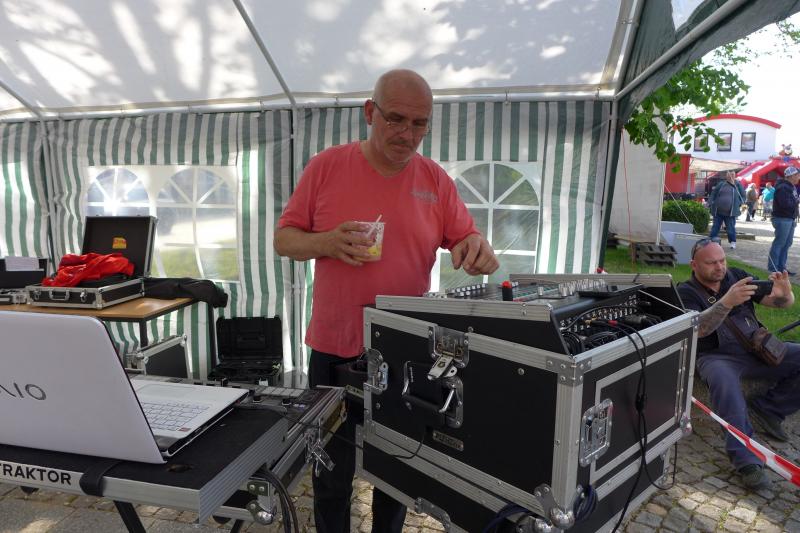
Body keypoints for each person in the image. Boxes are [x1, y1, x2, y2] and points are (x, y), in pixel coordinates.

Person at [273, 69, 499, 533]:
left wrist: (475, 246)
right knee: (332, 471)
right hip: (335, 350)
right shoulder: (326, 167)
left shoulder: (434, 179)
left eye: (420, 123)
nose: (407, 134)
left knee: (396, 476)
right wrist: (326, 242)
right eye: (395, 119)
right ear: (369, 113)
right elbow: (284, 239)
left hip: (404, 353)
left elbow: (466, 236)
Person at [678, 239, 800, 490]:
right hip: (715, 357)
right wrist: (726, 302)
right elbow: (697, 329)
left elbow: (779, 302)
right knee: (725, 384)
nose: (719, 267)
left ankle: (770, 409)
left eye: (722, 260)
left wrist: (786, 293)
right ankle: (747, 461)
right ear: (694, 265)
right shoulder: (686, 292)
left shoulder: (737, 275)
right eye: (711, 263)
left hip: (756, 349)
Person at [767, 166, 799, 274]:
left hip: (789, 218)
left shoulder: (791, 187)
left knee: (787, 244)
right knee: (780, 243)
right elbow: (785, 204)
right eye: (797, 175)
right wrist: (796, 201)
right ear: (791, 176)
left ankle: (781, 268)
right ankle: (773, 268)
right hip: (782, 218)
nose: (798, 177)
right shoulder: (783, 187)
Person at [708, 171, 745, 249]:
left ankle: (733, 242)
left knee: (730, 228)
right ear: (726, 176)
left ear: (735, 176)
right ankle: (711, 241)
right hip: (718, 211)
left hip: (730, 212)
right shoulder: (721, 184)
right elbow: (714, 193)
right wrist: (710, 202)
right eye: (729, 174)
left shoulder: (737, 184)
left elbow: (743, 196)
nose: (731, 176)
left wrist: (739, 203)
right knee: (715, 227)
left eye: (732, 174)